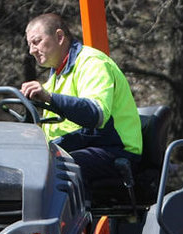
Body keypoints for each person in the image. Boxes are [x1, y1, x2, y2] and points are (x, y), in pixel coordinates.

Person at [20, 12, 143, 189]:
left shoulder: (92, 63)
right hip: (81, 147)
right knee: (24, 167)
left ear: (59, 37)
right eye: (29, 44)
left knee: (60, 168)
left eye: (36, 41)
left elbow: (96, 114)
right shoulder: (57, 74)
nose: (31, 50)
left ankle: (68, 217)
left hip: (114, 149)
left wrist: (49, 97)